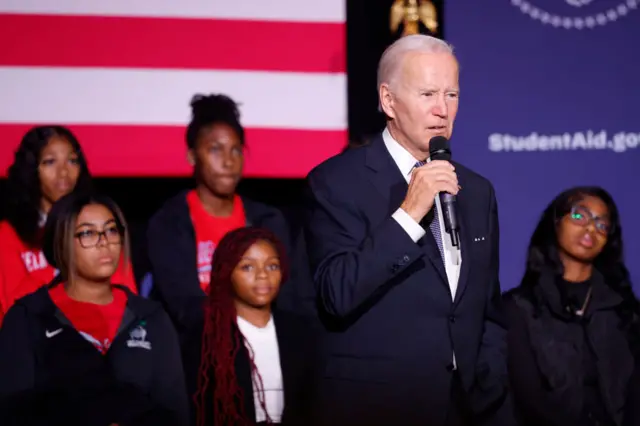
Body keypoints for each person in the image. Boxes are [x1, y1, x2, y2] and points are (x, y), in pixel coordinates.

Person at [304, 34, 513, 426]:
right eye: (428, 93)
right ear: (388, 101)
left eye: (452, 94)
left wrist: (489, 382)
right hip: (376, 406)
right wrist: (408, 214)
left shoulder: (477, 190)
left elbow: (486, 308)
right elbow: (336, 292)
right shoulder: (335, 182)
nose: (442, 110)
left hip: (468, 408)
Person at [0, 193, 189, 426]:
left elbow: (175, 413)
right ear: (61, 241)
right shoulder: (27, 317)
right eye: (88, 233)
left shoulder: (152, 317)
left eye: (111, 230)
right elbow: (12, 413)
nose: (104, 241)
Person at [147, 94, 293, 343]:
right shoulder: (169, 222)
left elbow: (287, 298)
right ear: (192, 156)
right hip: (196, 351)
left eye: (236, 150)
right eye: (215, 149)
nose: (228, 161)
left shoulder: (267, 220)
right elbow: (183, 305)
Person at [503, 186, 640, 426]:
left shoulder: (624, 310)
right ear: (555, 222)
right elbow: (527, 398)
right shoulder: (518, 309)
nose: (590, 228)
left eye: (602, 224)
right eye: (580, 215)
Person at [182, 227, 318, 426]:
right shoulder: (205, 336)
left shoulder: (301, 331)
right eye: (247, 267)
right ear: (227, 272)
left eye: (272, 266)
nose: (263, 275)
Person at [0, 125, 136, 322]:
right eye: (50, 162)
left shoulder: (101, 226)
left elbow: (127, 298)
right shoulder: (8, 234)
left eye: (72, 161)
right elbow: (13, 308)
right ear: (31, 170)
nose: (63, 172)